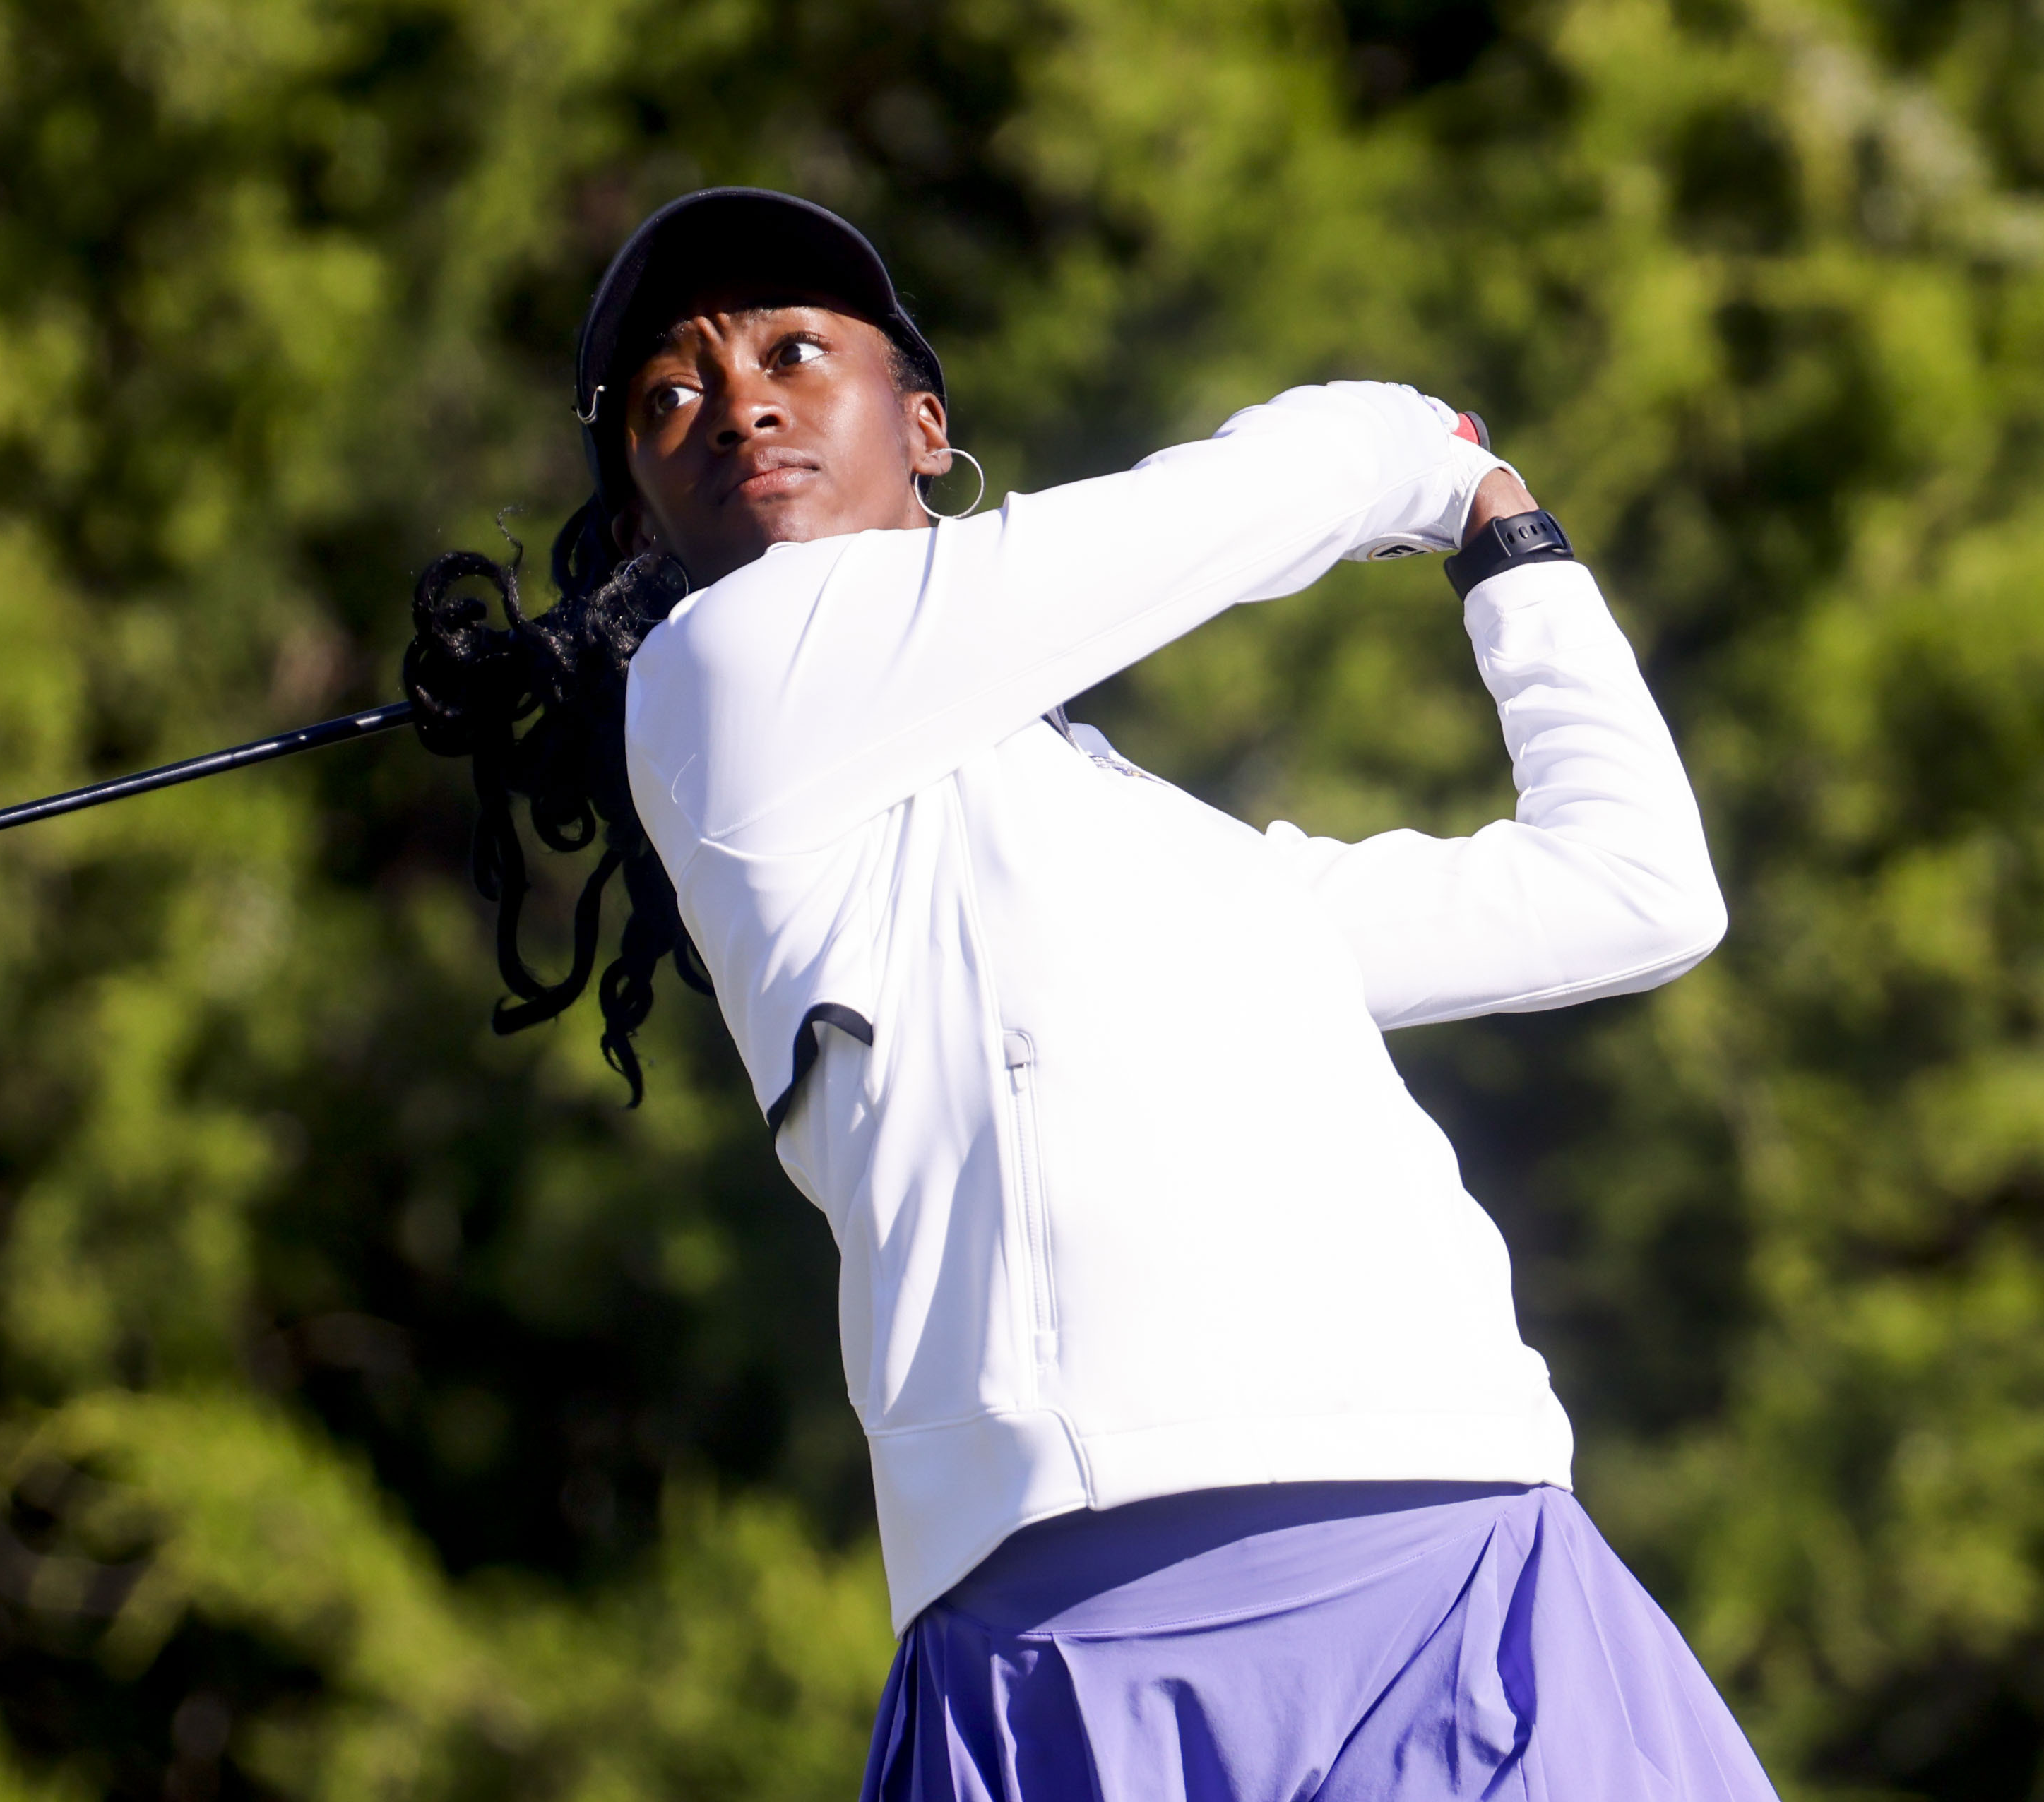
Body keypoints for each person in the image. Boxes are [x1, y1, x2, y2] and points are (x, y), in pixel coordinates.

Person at [405, 189, 1775, 1800]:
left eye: (792, 351)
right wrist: (1425, 447)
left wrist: (1512, 554)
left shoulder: (1191, 861)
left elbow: (1629, 889)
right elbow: (1244, 505)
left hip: (1462, 1559)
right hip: (1085, 1633)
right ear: (639, 525)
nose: (741, 401)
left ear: (924, 426)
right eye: (670, 398)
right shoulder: (724, 680)